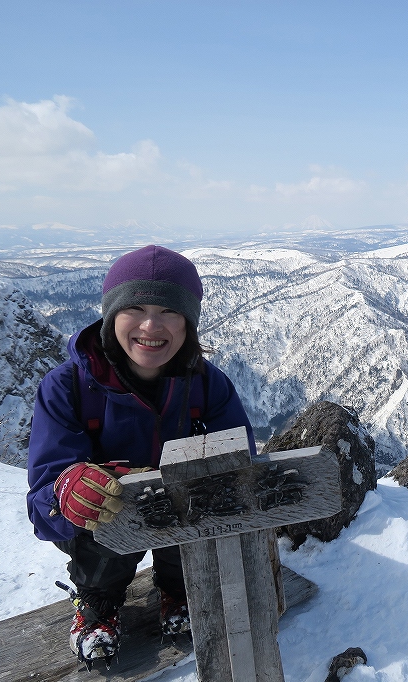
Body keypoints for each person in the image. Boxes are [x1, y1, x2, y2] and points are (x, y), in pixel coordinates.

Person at [26, 245, 255, 666]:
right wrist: (65, 491)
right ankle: (99, 599)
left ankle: (180, 587)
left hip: (181, 515)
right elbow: (44, 508)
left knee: (195, 503)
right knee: (106, 514)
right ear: (111, 314)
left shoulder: (207, 386)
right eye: (135, 307)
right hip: (103, 526)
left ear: (189, 323)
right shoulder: (68, 389)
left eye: (169, 310)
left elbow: (239, 465)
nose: (152, 325)